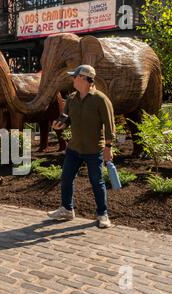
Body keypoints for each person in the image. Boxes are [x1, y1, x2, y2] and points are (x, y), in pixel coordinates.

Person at [47, 65, 115, 228]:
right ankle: (67, 209)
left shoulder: (101, 99)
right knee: (66, 178)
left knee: (96, 181)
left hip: (93, 149)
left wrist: (108, 147)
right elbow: (66, 118)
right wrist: (59, 125)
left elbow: (110, 124)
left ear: (85, 79)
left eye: (75, 77)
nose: (73, 79)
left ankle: (102, 214)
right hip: (74, 148)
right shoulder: (71, 98)